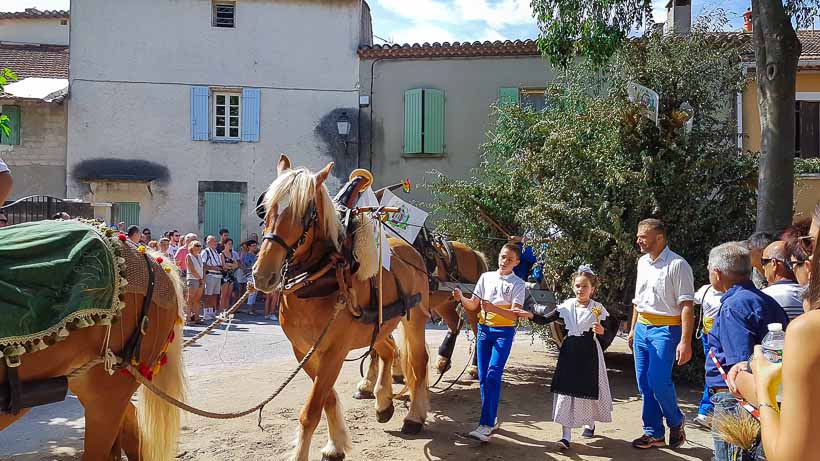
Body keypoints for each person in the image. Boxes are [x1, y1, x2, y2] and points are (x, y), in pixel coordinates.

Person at [727, 204, 820, 461]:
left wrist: (763, 386)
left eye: (811, 243)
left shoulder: (809, 329)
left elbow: (789, 457)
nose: (808, 258)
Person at [705, 242, 789, 461]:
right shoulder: (767, 301)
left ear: (717, 273)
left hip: (736, 402)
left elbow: (739, 368)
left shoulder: (734, 306)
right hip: (765, 398)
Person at [519, 265, 612, 450]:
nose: (580, 289)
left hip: (589, 354)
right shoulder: (567, 306)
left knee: (588, 390)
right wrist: (529, 315)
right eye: (577, 286)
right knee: (566, 391)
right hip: (569, 352)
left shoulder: (598, 309)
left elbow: (608, 331)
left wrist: (602, 331)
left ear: (592, 289)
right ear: (573, 287)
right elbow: (546, 318)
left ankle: (590, 422)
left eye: (585, 286)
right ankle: (566, 436)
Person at [627, 218, 694, 450]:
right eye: (638, 236)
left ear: (659, 238)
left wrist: (685, 341)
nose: (638, 240)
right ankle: (653, 433)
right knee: (644, 383)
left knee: (657, 380)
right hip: (643, 327)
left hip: (666, 330)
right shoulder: (642, 263)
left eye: (643, 236)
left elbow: (687, 305)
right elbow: (638, 299)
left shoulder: (678, 265)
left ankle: (676, 421)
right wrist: (633, 328)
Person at [452, 243, 526, 443]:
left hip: (504, 332)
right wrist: (461, 298)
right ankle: (490, 421)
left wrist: (493, 308)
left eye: (510, 259)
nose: (504, 261)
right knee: (484, 378)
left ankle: (485, 424)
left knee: (493, 374)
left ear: (516, 262)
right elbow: (473, 305)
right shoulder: (486, 278)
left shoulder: (518, 284)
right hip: (484, 331)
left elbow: (514, 314)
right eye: (503, 257)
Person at [693, 282, 724, 428]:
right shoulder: (706, 290)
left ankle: (707, 410)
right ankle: (707, 411)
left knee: (715, 372)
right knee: (713, 372)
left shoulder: (730, 293)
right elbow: (690, 300)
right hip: (707, 337)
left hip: (723, 337)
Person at [761, 241, 804, 320]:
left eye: (764, 261)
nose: (763, 267)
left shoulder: (763, 297)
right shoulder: (811, 295)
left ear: (774, 263)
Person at [201, 235, 222, 320]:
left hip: (218, 275)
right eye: (213, 241)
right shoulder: (205, 252)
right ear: (208, 242)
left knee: (215, 295)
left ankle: (212, 312)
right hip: (210, 275)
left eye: (215, 241)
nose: (215, 243)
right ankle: (206, 313)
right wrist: (213, 267)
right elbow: (203, 264)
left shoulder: (216, 252)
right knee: (208, 295)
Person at [185, 240, 205, 323]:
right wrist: (200, 279)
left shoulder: (199, 256)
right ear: (191, 247)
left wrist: (202, 278)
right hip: (192, 279)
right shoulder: (189, 256)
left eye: (199, 246)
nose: (198, 247)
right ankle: (188, 318)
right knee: (190, 299)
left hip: (200, 279)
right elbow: (192, 270)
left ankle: (196, 317)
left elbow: (202, 268)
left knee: (197, 299)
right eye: (196, 245)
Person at [219, 238, 239, 312]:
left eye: (231, 244)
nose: (230, 245)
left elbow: (236, 265)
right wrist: (231, 265)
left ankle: (226, 311)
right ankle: (221, 311)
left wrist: (229, 265)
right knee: (223, 294)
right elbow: (224, 266)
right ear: (224, 244)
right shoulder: (222, 254)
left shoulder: (232, 254)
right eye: (229, 244)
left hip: (231, 275)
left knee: (229, 295)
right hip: (224, 276)